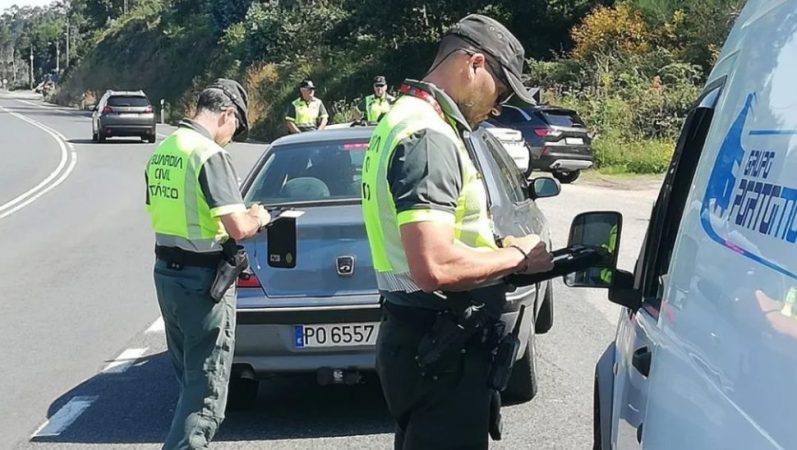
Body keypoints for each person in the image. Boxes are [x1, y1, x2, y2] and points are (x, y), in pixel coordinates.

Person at [360, 14, 553, 450]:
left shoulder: (399, 118)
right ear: (475, 64)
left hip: (418, 337)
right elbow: (433, 266)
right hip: (441, 346)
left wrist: (491, 248)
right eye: (500, 90)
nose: (497, 106)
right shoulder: (428, 136)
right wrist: (519, 257)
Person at [145, 79, 270, 449]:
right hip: (204, 283)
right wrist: (258, 216)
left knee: (189, 381)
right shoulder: (208, 155)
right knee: (205, 398)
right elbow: (239, 227)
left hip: (167, 276)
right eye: (237, 127)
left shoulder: (165, 148)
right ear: (227, 114)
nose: (233, 135)